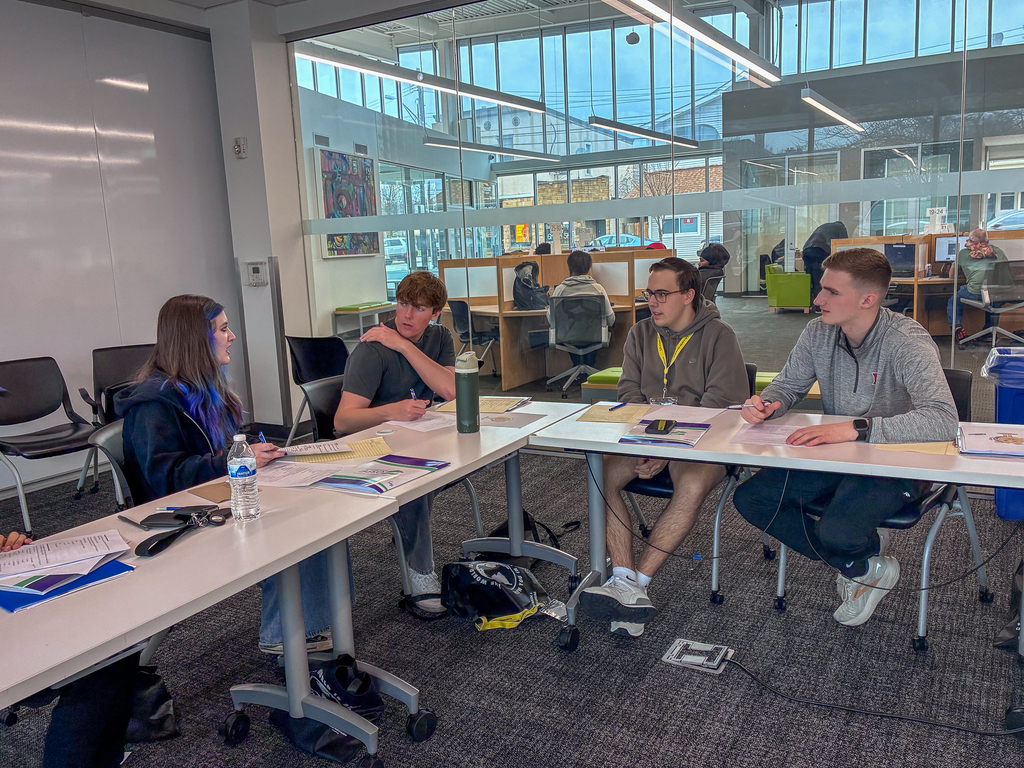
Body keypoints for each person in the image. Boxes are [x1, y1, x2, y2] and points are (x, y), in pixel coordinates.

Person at [733, 248, 958, 628]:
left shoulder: (905, 340)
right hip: (837, 456)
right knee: (751, 498)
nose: (818, 299)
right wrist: (768, 403)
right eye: (821, 289)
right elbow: (789, 384)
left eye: (831, 292)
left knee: (835, 530)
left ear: (867, 299)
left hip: (896, 463)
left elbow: (943, 419)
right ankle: (863, 564)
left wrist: (857, 427)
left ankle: (853, 553)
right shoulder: (819, 331)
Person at [114, 296, 319, 657]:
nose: (233, 336)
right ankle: (287, 638)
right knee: (302, 531)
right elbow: (168, 480)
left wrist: (247, 457)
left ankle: (308, 628)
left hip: (220, 503)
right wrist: (231, 461)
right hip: (184, 521)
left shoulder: (206, 390)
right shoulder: (153, 406)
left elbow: (219, 456)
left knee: (318, 514)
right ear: (197, 339)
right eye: (223, 329)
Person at [578, 257, 749, 637]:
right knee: (600, 473)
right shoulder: (641, 334)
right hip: (646, 436)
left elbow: (719, 406)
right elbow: (628, 392)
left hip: (704, 442)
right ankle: (624, 577)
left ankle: (637, 583)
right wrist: (649, 440)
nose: (652, 302)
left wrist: (668, 449)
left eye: (661, 294)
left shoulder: (719, 336)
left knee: (688, 486)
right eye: (648, 293)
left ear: (689, 295)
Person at [334, 271, 457, 619]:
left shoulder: (439, 336)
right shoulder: (373, 348)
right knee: (416, 480)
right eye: (402, 304)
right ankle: (419, 573)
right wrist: (393, 412)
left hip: (414, 437)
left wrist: (404, 345)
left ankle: (407, 532)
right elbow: (342, 422)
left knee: (451, 456)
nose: (406, 316)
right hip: (363, 446)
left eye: (418, 309)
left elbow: (449, 390)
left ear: (434, 314)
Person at [547, 250, 615, 368]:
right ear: (589, 268)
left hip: (567, 336)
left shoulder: (560, 290)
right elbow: (611, 320)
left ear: (569, 267)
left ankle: (577, 367)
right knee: (597, 331)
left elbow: (550, 319)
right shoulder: (598, 289)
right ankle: (589, 368)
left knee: (572, 334)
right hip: (595, 336)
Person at [948, 228, 1006, 346]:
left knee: (953, 300)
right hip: (997, 293)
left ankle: (957, 326)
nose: (967, 242)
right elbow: (1006, 272)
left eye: (969, 240)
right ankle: (988, 333)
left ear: (975, 242)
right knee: (993, 298)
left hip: (976, 292)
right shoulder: (997, 252)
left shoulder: (963, 253)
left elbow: (951, 276)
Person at [802, 221, 848, 303]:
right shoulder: (840, 227)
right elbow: (844, 243)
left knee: (810, 278)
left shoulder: (824, 226)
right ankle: (820, 305)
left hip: (807, 249)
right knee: (820, 278)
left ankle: (812, 302)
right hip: (819, 250)